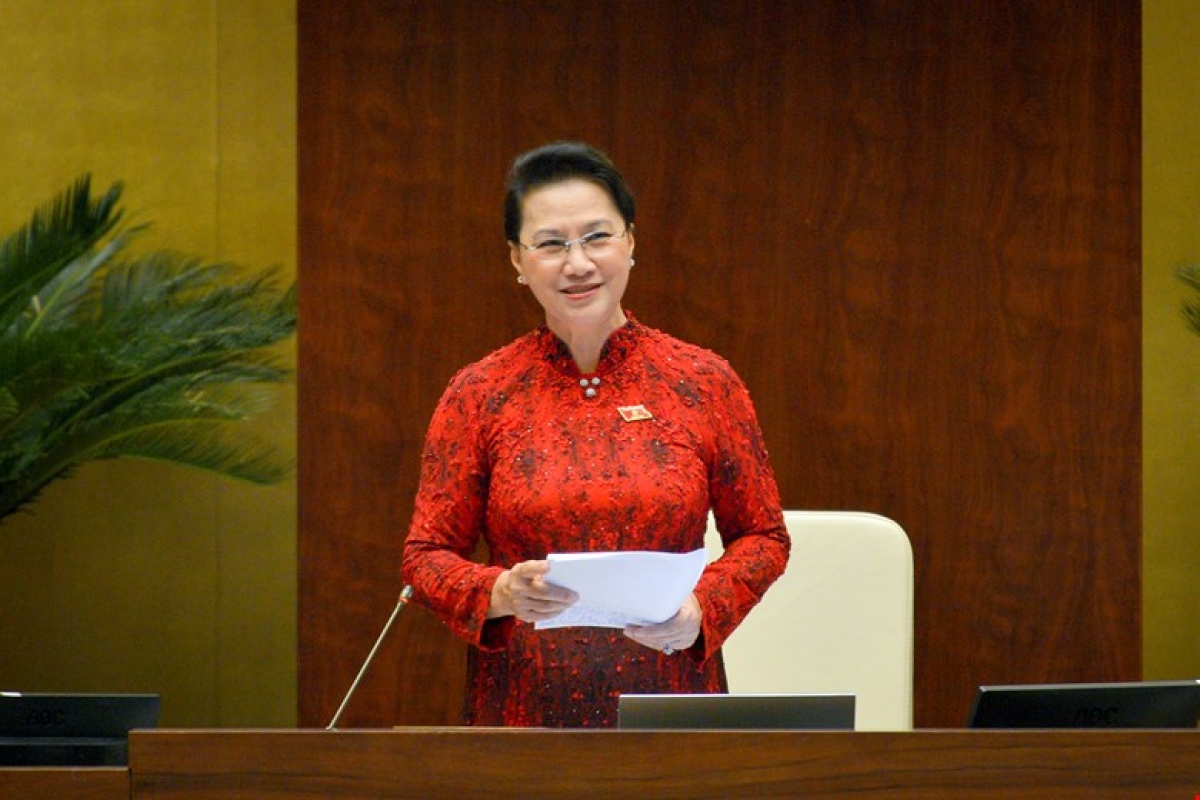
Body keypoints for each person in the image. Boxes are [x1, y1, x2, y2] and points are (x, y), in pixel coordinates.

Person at [400, 141, 790, 727]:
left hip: (671, 704)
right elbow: (425, 557)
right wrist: (499, 592)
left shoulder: (703, 381)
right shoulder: (480, 392)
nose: (577, 263)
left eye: (597, 237)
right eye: (551, 244)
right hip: (522, 713)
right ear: (517, 259)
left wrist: (701, 608)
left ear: (630, 242)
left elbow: (763, 536)